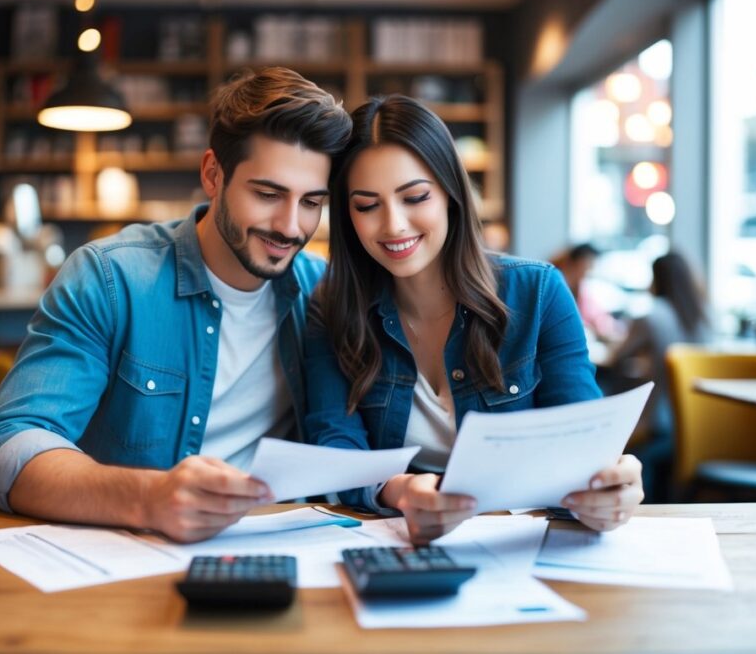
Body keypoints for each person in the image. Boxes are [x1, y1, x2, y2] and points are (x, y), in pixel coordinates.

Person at [0, 67, 352, 543]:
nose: (291, 227)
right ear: (213, 174)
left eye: (312, 202)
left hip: (275, 546)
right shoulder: (109, 278)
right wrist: (148, 499)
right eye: (268, 194)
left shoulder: (321, 292)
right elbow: (9, 450)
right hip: (127, 551)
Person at [304, 95, 644, 545]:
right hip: (397, 541)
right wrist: (398, 490)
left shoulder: (537, 292)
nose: (394, 225)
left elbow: (581, 442)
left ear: (450, 193)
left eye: (415, 197)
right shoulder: (331, 307)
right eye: (367, 205)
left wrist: (607, 489)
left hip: (522, 542)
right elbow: (335, 445)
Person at [607, 251, 711, 501]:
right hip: (703, 422)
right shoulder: (704, 316)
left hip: (661, 423)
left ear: (656, 279)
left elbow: (614, 358)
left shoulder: (653, 316)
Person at [550, 243, 624, 343]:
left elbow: (593, 313)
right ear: (578, 262)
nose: (590, 269)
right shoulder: (555, 281)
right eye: (589, 264)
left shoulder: (579, 286)